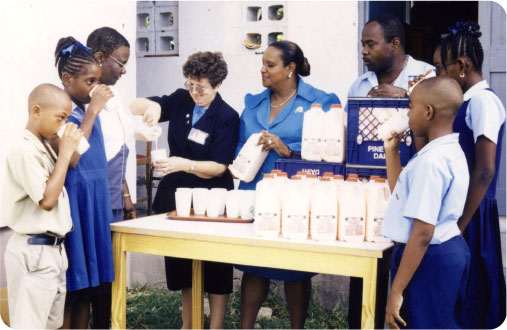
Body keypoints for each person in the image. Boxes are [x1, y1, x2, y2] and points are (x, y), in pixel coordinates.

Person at [129, 51, 239, 329]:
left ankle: (214, 325)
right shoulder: (181, 99)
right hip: (177, 195)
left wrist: (184, 164)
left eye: (201, 87)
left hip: (212, 197)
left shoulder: (226, 116)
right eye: (190, 84)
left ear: (217, 85)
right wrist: (151, 109)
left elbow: (219, 166)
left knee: (215, 265)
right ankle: (189, 323)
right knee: (182, 263)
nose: (195, 92)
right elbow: (135, 104)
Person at [236, 40, 340, 329]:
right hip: (255, 193)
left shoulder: (320, 102)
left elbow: (331, 153)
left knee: (296, 269)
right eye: (263, 63)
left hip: (297, 197)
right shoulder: (253, 103)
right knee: (255, 267)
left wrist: (288, 150)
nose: (263, 70)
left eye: (270, 65)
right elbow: (238, 145)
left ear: (290, 68)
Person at [345, 15, 434, 328]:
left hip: (411, 190)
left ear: (395, 44)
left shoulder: (426, 76)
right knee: (367, 269)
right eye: (362, 45)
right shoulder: (360, 84)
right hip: (368, 188)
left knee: (404, 273)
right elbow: (349, 136)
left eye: (370, 44)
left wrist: (408, 100)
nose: (364, 52)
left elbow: (440, 125)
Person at [433, 21, 506, 329]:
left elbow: (485, 169)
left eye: (440, 69)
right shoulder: (465, 102)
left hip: (471, 213)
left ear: (461, 66)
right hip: (459, 209)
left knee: (472, 293)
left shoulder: (483, 102)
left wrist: (461, 223)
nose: (437, 76)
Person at [381, 76, 470, 329]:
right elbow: (403, 195)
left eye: (410, 106)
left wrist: (396, 290)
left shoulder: (431, 163)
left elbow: (422, 234)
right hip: (445, 251)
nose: (407, 114)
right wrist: (392, 151)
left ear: (428, 112)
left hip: (428, 256)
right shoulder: (447, 152)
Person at [1, 84, 82, 329]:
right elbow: (47, 200)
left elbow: (75, 162)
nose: (63, 124)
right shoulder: (23, 149)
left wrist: (64, 146)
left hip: (52, 250)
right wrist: (65, 153)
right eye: (60, 117)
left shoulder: (45, 145)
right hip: (34, 251)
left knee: (51, 324)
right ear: (36, 111)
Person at [53, 36, 116, 329]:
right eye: (90, 81)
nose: (96, 87)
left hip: (96, 199)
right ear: (67, 79)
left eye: (97, 80)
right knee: (75, 287)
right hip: (77, 200)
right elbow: (74, 158)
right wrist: (92, 111)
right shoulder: (63, 110)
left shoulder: (87, 108)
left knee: (93, 287)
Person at [85, 26, 141, 329]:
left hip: (114, 194)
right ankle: (101, 323)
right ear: (99, 57)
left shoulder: (114, 95)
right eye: (120, 63)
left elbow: (119, 147)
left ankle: (109, 321)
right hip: (95, 197)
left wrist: (127, 194)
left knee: (112, 266)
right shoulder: (84, 97)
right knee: (98, 266)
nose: (124, 70)